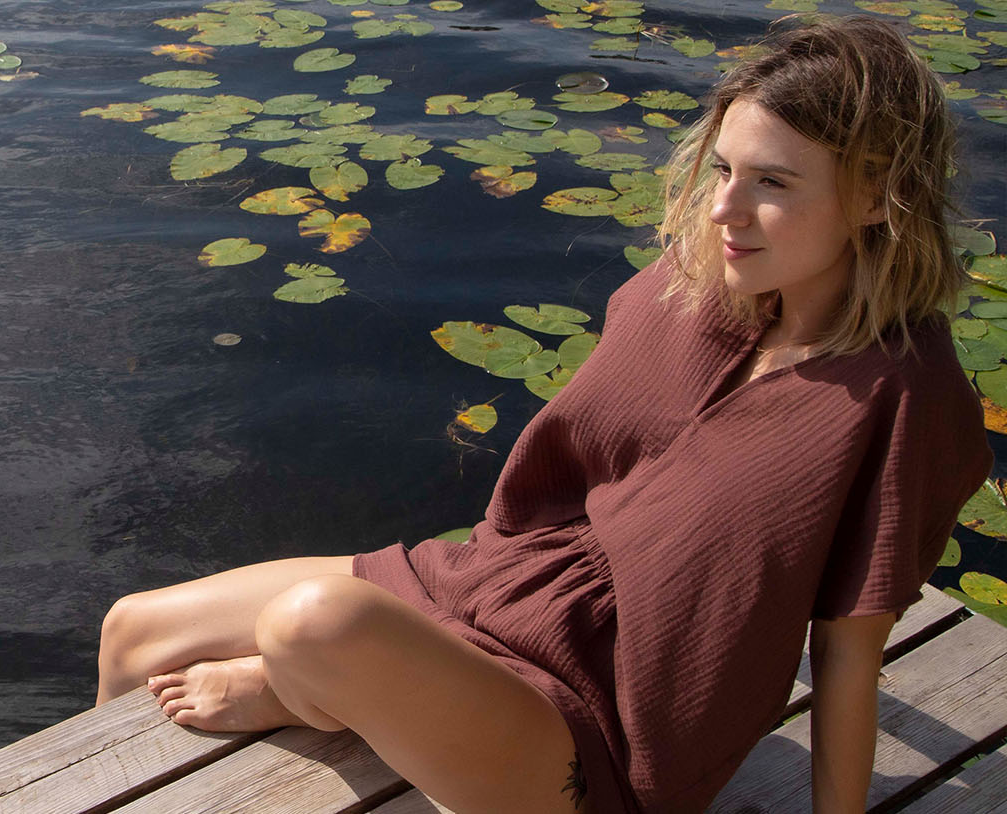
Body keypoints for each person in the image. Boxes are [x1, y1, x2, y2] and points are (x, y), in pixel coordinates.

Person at [94, 14, 993, 814]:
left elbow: (847, 656)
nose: (724, 210)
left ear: (877, 196)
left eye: (774, 183)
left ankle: (306, 685)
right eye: (722, 168)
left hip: (595, 729)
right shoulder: (681, 294)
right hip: (494, 588)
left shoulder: (905, 399)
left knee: (311, 623)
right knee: (135, 628)